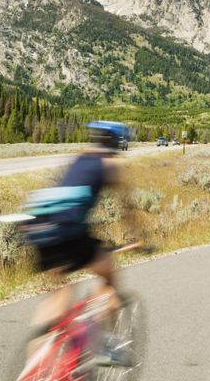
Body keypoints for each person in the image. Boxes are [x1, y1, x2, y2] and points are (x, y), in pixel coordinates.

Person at [24, 121, 139, 364]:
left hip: (39, 226)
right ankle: (101, 341)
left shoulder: (79, 159)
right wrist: (138, 237)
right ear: (119, 143)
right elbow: (126, 208)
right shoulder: (110, 164)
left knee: (59, 294)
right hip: (68, 230)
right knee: (109, 277)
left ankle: (34, 367)